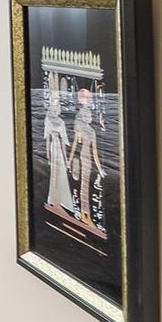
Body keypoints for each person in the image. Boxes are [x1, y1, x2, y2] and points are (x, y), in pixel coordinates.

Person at [68, 88, 107, 227]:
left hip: (87, 159)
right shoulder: (83, 129)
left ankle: (86, 214)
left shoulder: (92, 132)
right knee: (83, 185)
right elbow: (75, 143)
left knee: (86, 185)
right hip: (82, 158)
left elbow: (95, 152)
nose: (91, 118)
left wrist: (100, 169)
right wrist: (69, 159)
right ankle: (84, 214)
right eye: (89, 115)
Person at [43, 97, 75, 212]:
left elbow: (63, 140)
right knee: (54, 173)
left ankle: (62, 199)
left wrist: (66, 158)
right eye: (55, 108)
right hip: (53, 147)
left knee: (61, 172)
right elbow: (48, 139)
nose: (57, 110)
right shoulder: (48, 120)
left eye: (58, 108)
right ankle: (54, 198)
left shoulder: (61, 122)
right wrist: (48, 153)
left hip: (59, 150)